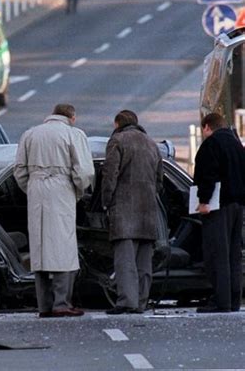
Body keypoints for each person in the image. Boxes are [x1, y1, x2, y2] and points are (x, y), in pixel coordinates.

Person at [14, 104, 95, 318]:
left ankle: (44, 305)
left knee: (40, 249)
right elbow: (84, 171)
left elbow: (19, 171)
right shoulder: (73, 134)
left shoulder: (30, 134)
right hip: (61, 189)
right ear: (72, 117)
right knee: (63, 247)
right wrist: (77, 190)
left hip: (36, 189)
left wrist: (32, 187)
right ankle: (62, 303)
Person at [101, 110, 163, 315]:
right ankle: (141, 301)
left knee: (125, 260)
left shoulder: (117, 141)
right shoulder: (151, 143)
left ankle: (127, 301)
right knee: (144, 262)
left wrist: (106, 201)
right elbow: (160, 180)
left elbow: (110, 175)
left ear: (117, 123)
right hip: (148, 210)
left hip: (125, 210)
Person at [193, 113, 244, 313]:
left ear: (207, 127)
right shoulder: (236, 144)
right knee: (234, 255)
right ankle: (233, 299)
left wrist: (204, 201)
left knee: (217, 253)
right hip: (238, 206)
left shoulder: (211, 144)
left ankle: (221, 301)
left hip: (218, 206)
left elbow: (208, 175)